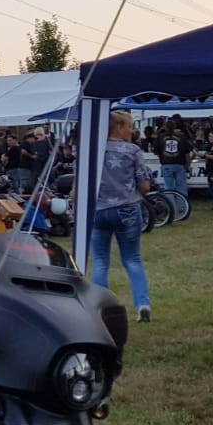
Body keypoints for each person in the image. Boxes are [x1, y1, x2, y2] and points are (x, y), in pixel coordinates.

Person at [90, 110, 152, 322]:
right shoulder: (133, 150)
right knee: (132, 259)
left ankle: (99, 308)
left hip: (98, 210)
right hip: (127, 208)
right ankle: (142, 304)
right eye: (129, 127)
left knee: (100, 261)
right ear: (118, 127)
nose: (132, 131)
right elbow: (144, 186)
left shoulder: (92, 149)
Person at [154, 116, 192, 195]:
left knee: (168, 187)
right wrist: (188, 165)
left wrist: (162, 158)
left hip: (166, 164)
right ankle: (182, 202)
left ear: (165, 127)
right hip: (180, 164)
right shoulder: (181, 136)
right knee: (181, 186)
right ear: (175, 126)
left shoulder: (160, 137)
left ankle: (170, 202)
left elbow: (156, 152)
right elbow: (187, 152)